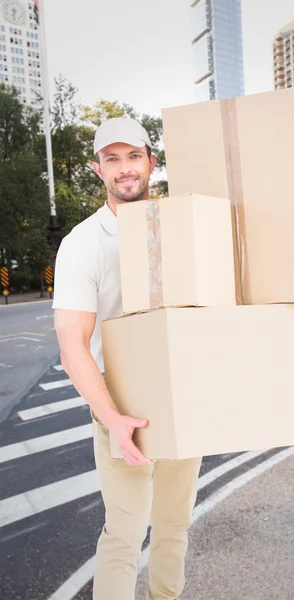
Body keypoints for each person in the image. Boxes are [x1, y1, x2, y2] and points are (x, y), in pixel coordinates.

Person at [53, 117, 202, 600]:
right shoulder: (82, 243)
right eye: (112, 159)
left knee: (174, 526)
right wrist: (113, 418)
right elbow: (73, 343)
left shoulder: (177, 230)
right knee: (124, 533)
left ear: (151, 163)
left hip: (181, 402)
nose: (124, 169)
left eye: (133, 156)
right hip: (120, 408)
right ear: (98, 170)